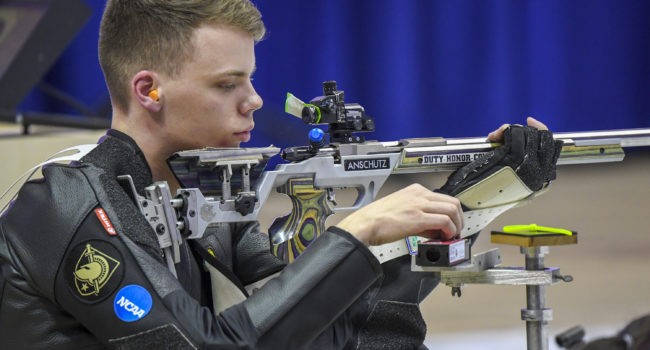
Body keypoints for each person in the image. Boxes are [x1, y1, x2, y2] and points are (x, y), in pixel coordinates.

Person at [0, 1, 559, 349]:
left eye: (250, 80)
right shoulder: (67, 204)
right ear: (149, 90)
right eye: (228, 84)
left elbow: (319, 328)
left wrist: (473, 198)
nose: (254, 101)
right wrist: (357, 232)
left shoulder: (203, 193)